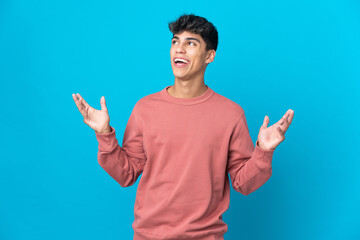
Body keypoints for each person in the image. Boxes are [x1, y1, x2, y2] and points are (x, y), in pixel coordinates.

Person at [72, 14, 294, 240]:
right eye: (175, 41)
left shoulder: (231, 114)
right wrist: (104, 134)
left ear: (210, 56)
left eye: (191, 43)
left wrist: (264, 151)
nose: (179, 49)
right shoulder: (144, 109)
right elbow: (125, 174)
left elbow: (243, 183)